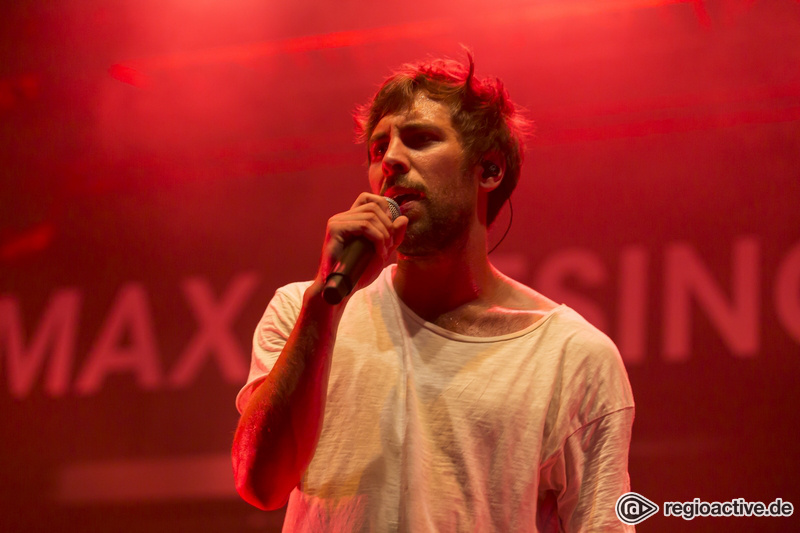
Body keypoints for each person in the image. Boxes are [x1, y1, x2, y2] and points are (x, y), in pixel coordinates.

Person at [232, 54, 635, 532]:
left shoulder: (571, 355)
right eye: (378, 150)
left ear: (488, 169)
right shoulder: (303, 311)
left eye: (421, 139)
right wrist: (323, 305)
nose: (392, 161)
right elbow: (260, 485)